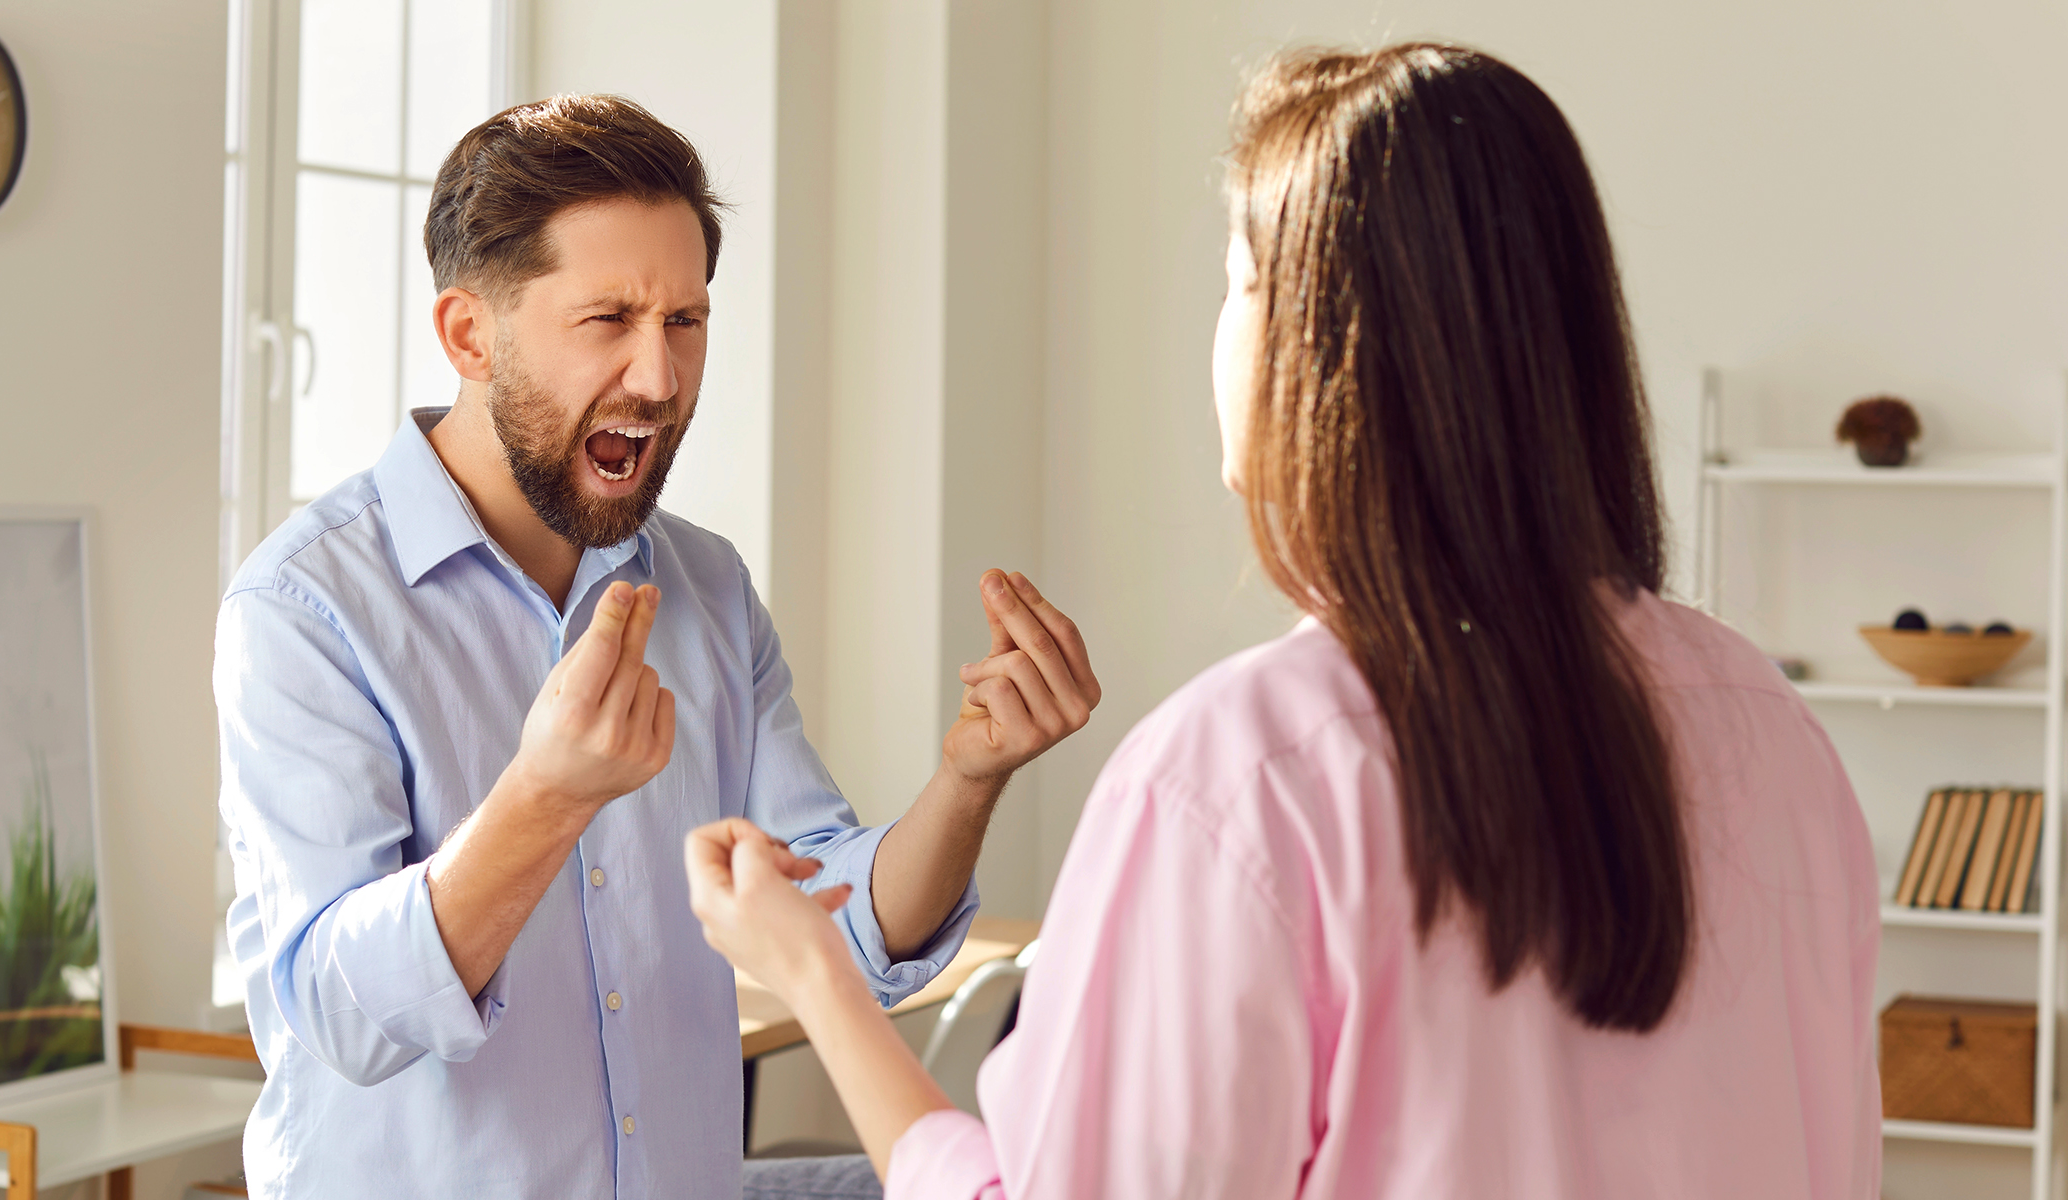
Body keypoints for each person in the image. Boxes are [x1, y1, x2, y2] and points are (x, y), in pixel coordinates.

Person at [688, 42, 1879, 1200]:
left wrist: (812, 973)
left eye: (1240, 281)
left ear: (1320, 345)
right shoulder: (1769, 725)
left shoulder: (1243, 775)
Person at [214, 95, 1102, 1200]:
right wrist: (545, 796)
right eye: (610, 320)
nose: (661, 376)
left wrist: (969, 779)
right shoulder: (305, 608)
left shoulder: (705, 585)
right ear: (468, 335)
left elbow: (833, 916)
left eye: (686, 321)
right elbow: (341, 1019)